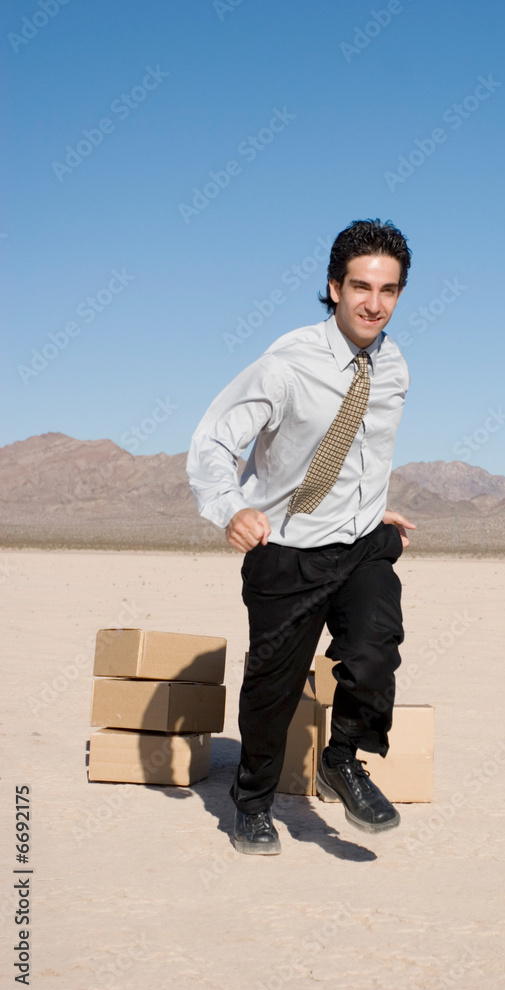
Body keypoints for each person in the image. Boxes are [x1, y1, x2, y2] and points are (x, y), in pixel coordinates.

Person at [187, 218, 416, 855]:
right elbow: (212, 441)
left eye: (389, 290)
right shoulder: (287, 365)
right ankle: (253, 802)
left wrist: (374, 505)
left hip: (362, 542)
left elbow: (361, 450)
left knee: (375, 648)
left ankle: (342, 760)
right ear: (334, 287)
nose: (375, 303)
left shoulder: (393, 364)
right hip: (286, 550)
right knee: (273, 689)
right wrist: (231, 508)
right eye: (362, 287)